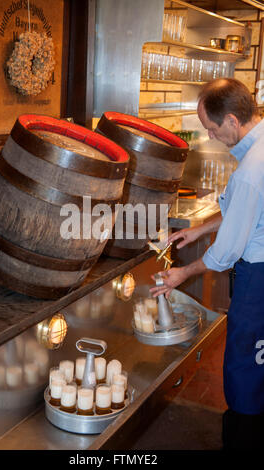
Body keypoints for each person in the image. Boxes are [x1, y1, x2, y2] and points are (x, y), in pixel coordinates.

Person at [150, 78, 264, 450]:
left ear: (232, 120)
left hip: (259, 280)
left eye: (212, 129)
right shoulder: (257, 147)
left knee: (244, 366)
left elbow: (227, 251)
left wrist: (183, 271)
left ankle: (242, 438)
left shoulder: (251, 169)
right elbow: (235, 210)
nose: (212, 137)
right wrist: (198, 230)